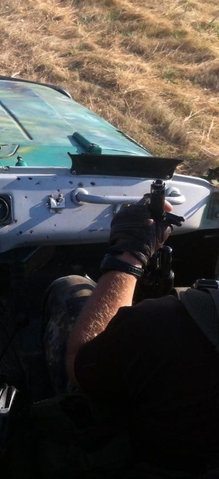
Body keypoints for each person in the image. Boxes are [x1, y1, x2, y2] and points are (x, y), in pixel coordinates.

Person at [43, 197, 219, 474]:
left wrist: (128, 258)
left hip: (143, 458)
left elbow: (81, 363)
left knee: (70, 288)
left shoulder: (166, 324)